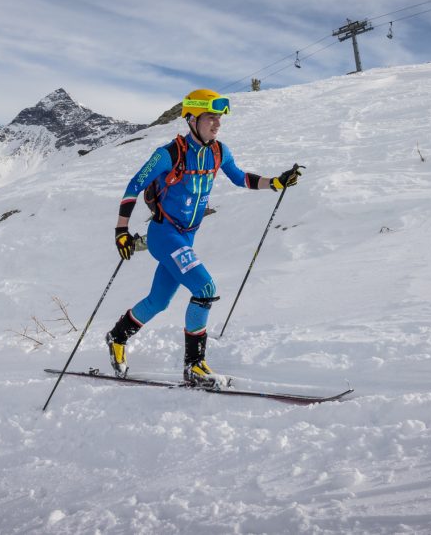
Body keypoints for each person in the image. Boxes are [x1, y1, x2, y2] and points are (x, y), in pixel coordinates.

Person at [105, 89, 300, 387]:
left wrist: (274, 182)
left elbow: (241, 178)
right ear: (192, 119)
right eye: (211, 118)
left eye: (219, 118)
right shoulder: (168, 153)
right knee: (205, 287)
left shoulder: (219, 151)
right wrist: (121, 231)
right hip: (163, 235)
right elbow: (134, 185)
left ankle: (117, 337)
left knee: (158, 301)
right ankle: (194, 365)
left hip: (186, 238)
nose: (217, 124)